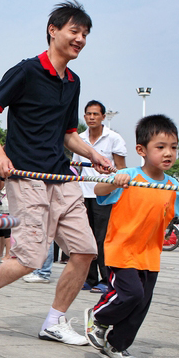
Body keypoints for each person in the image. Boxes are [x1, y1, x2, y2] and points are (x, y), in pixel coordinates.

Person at [0, 1, 112, 341]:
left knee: (85, 250)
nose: (80, 39)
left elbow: (68, 133)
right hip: (27, 176)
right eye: (75, 31)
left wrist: (94, 155)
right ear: (54, 30)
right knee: (31, 257)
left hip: (61, 177)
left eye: (85, 35)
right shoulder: (26, 71)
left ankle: (54, 322)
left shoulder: (73, 81)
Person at [84, 115, 179, 358]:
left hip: (149, 254)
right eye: (160, 147)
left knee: (140, 306)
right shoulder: (129, 176)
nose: (168, 153)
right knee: (130, 295)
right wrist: (115, 182)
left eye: (173, 147)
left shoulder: (172, 185)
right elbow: (99, 192)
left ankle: (116, 346)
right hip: (121, 250)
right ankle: (98, 316)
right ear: (141, 150)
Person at [72, 100, 127, 293]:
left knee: (103, 238)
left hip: (104, 195)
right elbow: (76, 167)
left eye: (96, 114)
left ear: (103, 116)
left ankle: (107, 278)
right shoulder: (78, 138)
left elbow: (121, 168)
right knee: (86, 238)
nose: (92, 117)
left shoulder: (114, 138)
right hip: (83, 194)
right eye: (88, 114)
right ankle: (90, 278)